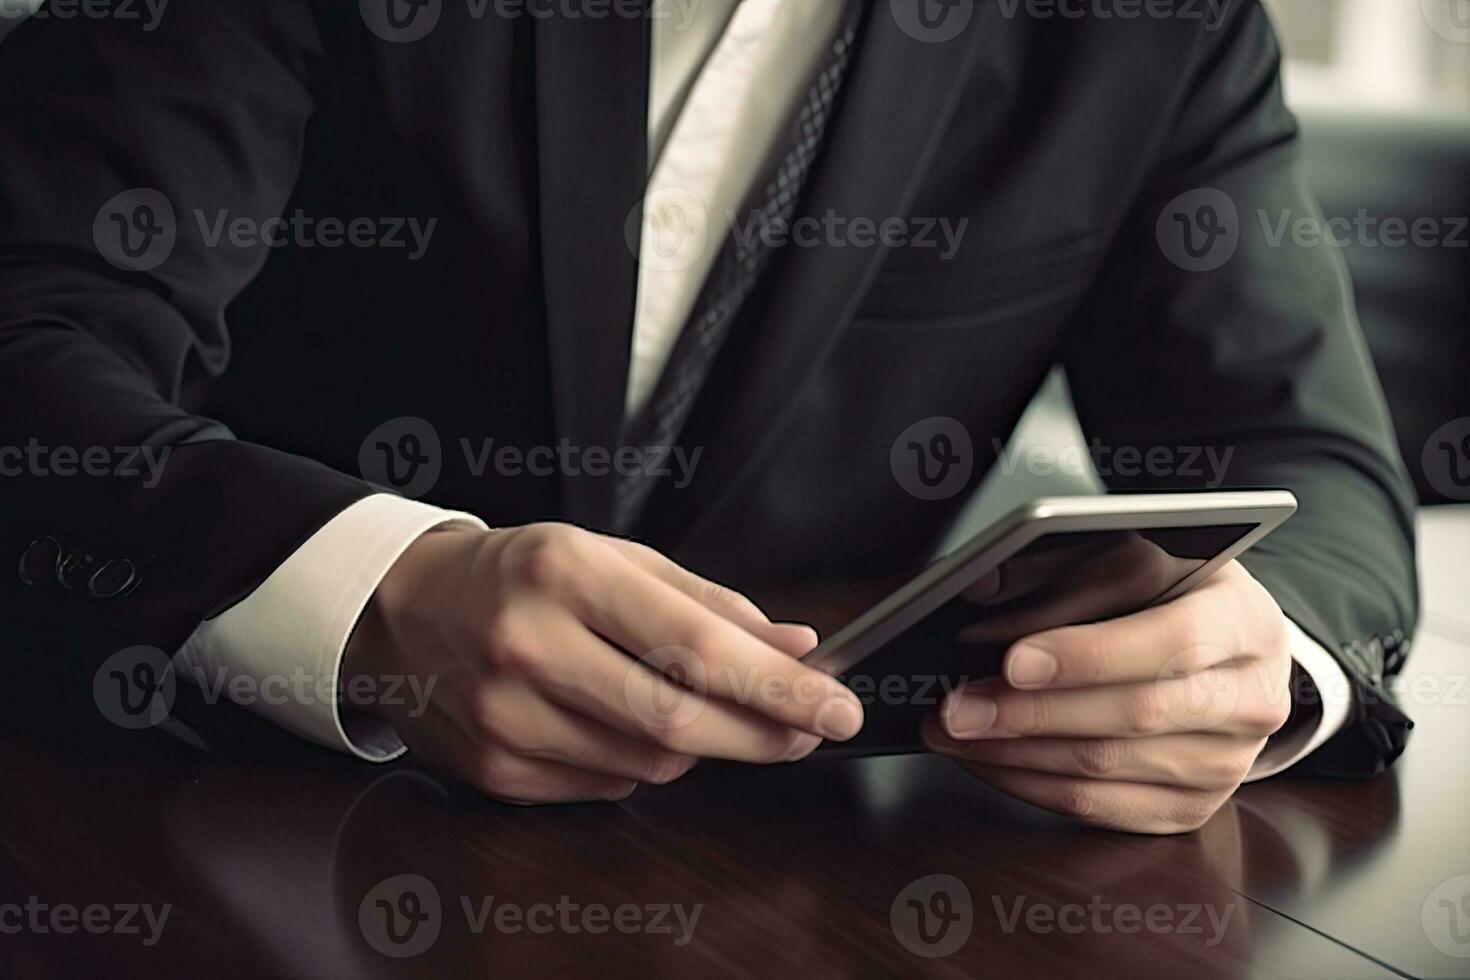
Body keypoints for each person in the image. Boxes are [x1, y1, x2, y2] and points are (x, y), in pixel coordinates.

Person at [0, 0, 1416, 833]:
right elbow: (36, 341)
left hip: (807, 866)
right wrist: (372, 592)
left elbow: (1313, 462)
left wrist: (1259, 657)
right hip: (186, 807)